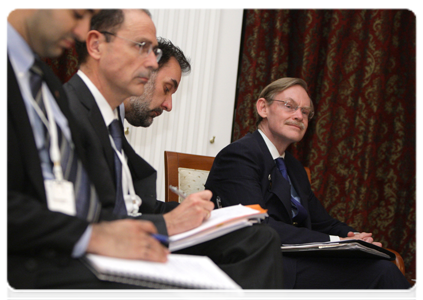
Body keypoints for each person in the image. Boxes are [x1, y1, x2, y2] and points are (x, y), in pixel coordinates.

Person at [63, 9, 286, 300]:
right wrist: (167, 223)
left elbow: (132, 203)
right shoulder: (66, 110)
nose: (149, 62)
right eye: (142, 47)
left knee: (257, 237)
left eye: (152, 51)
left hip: (133, 230)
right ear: (96, 46)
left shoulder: (110, 117)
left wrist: (208, 217)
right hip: (103, 251)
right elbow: (84, 218)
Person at [6, 8, 185, 300]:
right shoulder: (58, 93)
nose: (79, 32)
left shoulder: (43, 81)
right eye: (77, 14)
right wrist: (92, 236)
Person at [205, 77, 419, 300]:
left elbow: (322, 221)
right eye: (289, 106)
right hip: (259, 269)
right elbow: (257, 225)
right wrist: (336, 242)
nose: (299, 116)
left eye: (305, 112)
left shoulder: (293, 167)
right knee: (379, 273)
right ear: (263, 108)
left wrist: (352, 236)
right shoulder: (240, 155)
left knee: (379, 263)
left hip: (294, 262)